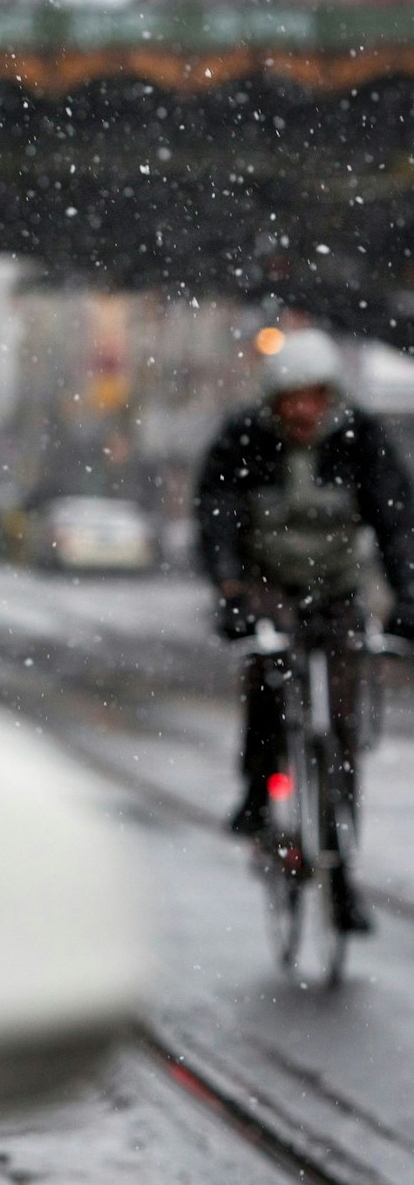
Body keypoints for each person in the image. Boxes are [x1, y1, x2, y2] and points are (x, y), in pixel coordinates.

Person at [195, 327, 414, 935]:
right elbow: (216, 515)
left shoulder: (360, 439)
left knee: (340, 729)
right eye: (292, 398)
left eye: (316, 397)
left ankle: (340, 874)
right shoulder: (244, 438)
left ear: (332, 396)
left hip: (337, 590)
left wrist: (407, 597)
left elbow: (396, 521)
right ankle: (259, 790)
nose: (303, 412)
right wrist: (231, 592)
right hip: (269, 585)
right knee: (269, 677)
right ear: (273, 398)